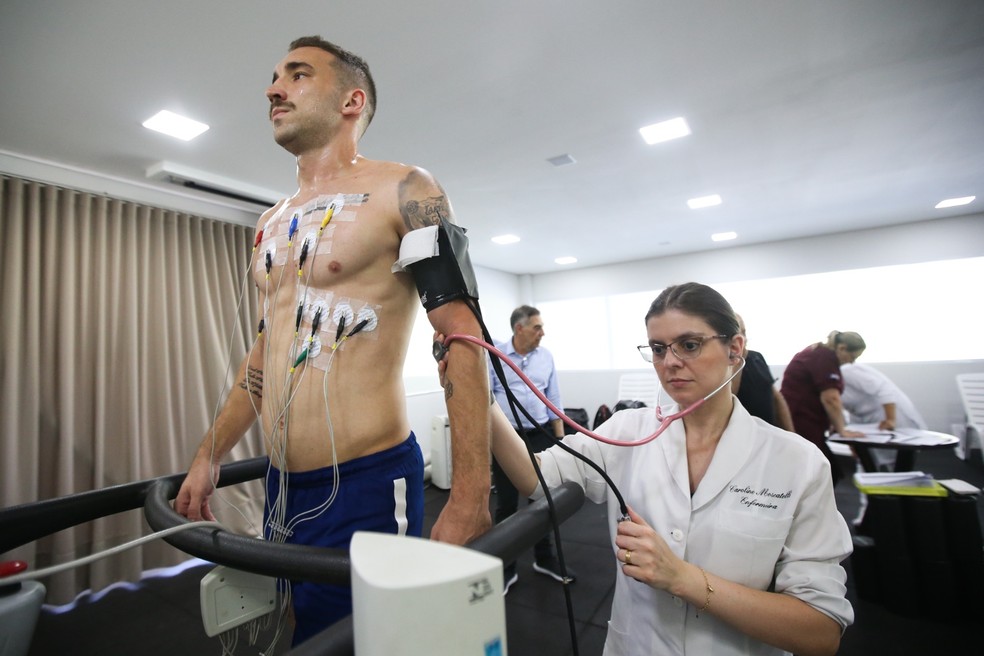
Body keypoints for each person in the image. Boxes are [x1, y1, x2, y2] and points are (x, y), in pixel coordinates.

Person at [174, 36, 492, 645]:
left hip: (368, 479)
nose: (273, 88)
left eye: (297, 75)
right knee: (302, 626)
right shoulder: (271, 223)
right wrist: (208, 453)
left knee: (372, 638)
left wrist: (473, 494)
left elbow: (461, 334)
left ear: (352, 100)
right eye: (274, 77)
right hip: (283, 482)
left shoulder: (406, 189)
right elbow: (264, 353)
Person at [444, 283, 854, 656]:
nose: (670, 362)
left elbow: (819, 632)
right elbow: (536, 477)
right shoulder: (628, 431)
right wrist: (480, 393)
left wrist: (683, 578)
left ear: (735, 349)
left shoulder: (796, 462)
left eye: (689, 345)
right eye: (658, 349)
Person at [489, 305, 575, 592]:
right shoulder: (495, 356)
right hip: (506, 439)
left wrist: (561, 441)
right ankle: (506, 567)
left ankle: (544, 558)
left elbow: (555, 399)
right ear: (519, 329)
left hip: (540, 434)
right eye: (537, 327)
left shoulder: (545, 356)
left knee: (544, 501)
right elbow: (483, 402)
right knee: (507, 505)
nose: (542, 333)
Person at [780, 331, 866, 485]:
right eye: (852, 357)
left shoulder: (817, 353)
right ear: (842, 348)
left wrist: (834, 423)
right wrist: (842, 430)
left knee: (824, 472)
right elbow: (831, 398)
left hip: (805, 420)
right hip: (800, 422)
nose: (851, 362)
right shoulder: (825, 358)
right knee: (824, 473)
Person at [841, 362, 928, 470]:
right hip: (863, 422)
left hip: (887, 414)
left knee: (897, 461)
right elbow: (835, 407)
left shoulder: (848, 371)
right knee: (865, 462)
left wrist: (890, 419)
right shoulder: (823, 383)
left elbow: (884, 389)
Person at [731, 314, 794, 431]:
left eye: (744, 333)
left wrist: (792, 433)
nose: (744, 339)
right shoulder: (725, 366)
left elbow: (776, 397)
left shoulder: (757, 358)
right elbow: (730, 396)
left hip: (770, 434)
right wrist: (738, 360)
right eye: (738, 334)